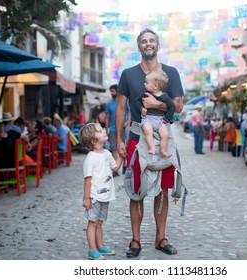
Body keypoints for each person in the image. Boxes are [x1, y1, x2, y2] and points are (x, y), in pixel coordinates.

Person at [115, 28, 183, 258]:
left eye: (152, 40)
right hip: (136, 137)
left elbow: (178, 106)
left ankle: (160, 238)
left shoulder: (171, 73)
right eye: (144, 41)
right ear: (139, 46)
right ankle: (135, 240)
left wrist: (156, 104)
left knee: (163, 190)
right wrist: (117, 141)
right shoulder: (128, 74)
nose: (148, 44)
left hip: (163, 136)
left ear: (157, 45)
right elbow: (121, 108)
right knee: (137, 190)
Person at [78, 122, 123, 260]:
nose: (104, 130)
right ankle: (92, 249)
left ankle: (100, 245)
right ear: (94, 140)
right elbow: (88, 179)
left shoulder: (107, 153)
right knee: (92, 222)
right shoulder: (91, 158)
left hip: (106, 195)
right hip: (94, 196)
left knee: (100, 222)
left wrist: (122, 156)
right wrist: (87, 198)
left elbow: (115, 168)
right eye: (100, 130)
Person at [135, 70, 175, 158]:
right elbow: (136, 101)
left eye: (146, 82)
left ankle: (163, 150)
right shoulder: (144, 94)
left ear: (155, 86)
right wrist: (141, 109)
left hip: (160, 120)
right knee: (147, 131)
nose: (144, 84)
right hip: (147, 119)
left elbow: (172, 107)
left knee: (165, 135)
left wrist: (166, 119)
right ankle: (152, 147)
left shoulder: (165, 96)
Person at [105, 84, 131, 177]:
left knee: (123, 147)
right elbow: (107, 118)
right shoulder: (108, 104)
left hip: (123, 128)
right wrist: (107, 129)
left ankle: (124, 165)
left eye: (113, 91)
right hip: (112, 129)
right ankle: (116, 168)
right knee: (113, 148)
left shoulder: (123, 102)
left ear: (117, 91)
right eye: (111, 91)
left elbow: (129, 112)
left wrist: (127, 122)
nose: (112, 93)